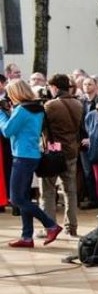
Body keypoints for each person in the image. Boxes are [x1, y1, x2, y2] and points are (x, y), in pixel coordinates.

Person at [0, 80, 62, 247]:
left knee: (17, 198)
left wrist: (1, 114)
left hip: (22, 156)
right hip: (33, 154)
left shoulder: (22, 109)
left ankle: (51, 225)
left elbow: (7, 131)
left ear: (16, 93)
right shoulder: (37, 108)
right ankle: (27, 237)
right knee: (24, 197)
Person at [41, 74, 84, 237]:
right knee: (70, 191)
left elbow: (41, 127)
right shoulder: (78, 104)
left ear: (55, 87)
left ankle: (50, 227)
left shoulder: (50, 105)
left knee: (48, 191)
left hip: (52, 152)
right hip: (71, 151)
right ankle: (71, 227)